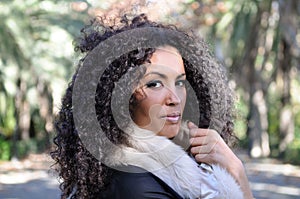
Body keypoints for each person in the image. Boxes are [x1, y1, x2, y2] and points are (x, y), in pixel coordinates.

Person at [51, 13, 253, 199]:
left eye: (180, 82)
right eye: (154, 83)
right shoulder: (137, 184)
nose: (174, 98)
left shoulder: (176, 164)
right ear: (121, 98)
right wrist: (236, 175)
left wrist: (234, 169)